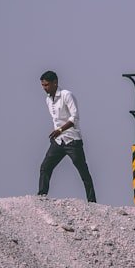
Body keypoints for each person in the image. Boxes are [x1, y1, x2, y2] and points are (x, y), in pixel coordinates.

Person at [37, 70, 97, 202]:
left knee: (83, 170)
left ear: (55, 83)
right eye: (43, 85)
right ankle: (41, 196)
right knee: (45, 167)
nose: (44, 88)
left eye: (46, 85)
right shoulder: (48, 100)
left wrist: (60, 129)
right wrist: (57, 132)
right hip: (58, 141)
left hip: (72, 140)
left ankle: (92, 201)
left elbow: (75, 117)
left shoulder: (66, 95)